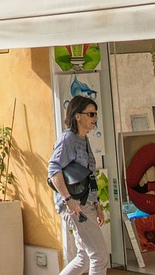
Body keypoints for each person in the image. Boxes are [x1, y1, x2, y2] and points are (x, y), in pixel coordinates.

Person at [48, 96, 107, 275]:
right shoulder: (68, 139)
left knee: (85, 257)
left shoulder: (83, 139)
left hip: (85, 203)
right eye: (90, 114)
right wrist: (68, 199)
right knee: (99, 255)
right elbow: (53, 169)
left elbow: (89, 176)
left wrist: (97, 204)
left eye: (95, 114)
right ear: (77, 116)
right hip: (75, 205)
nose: (94, 118)